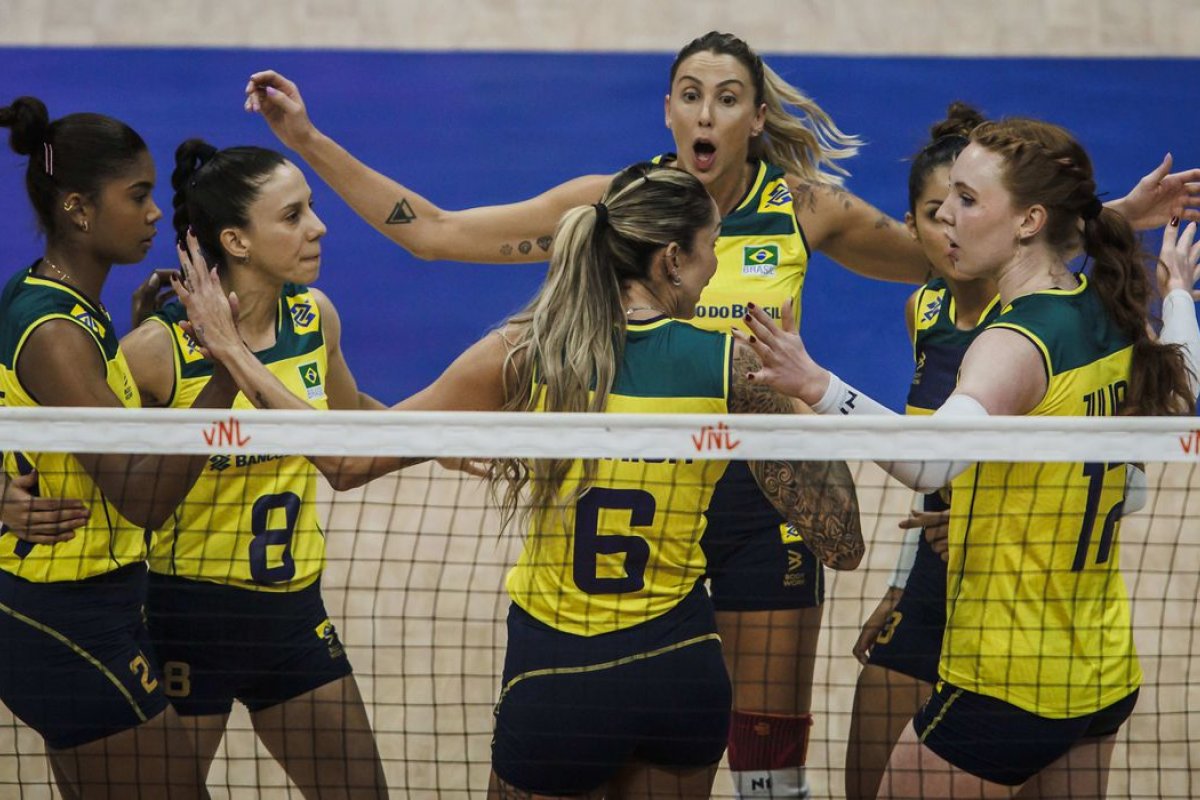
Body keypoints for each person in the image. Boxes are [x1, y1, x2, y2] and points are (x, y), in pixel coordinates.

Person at [240, 34, 1200, 799]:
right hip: (648, 490)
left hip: (763, 498)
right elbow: (437, 232)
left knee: (768, 744)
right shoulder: (609, 209)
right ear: (668, 110)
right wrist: (309, 140)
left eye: (728, 96)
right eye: (691, 94)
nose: (707, 112)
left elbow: (960, 249)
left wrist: (1106, 215)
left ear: (756, 116)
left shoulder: (806, 210)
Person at [168, 161, 866, 799]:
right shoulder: (734, 368)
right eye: (711, 247)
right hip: (681, 671)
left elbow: (347, 462)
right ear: (672, 259)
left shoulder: (525, 354)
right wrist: (800, 404)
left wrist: (234, 352)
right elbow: (842, 543)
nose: (716, 270)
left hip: (559, 679)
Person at [740, 117, 1194, 798]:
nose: (944, 215)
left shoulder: (1011, 345)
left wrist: (818, 386)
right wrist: (1179, 289)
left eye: (968, 199)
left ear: (1029, 221)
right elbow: (1188, 377)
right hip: (1101, 672)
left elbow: (929, 465)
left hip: (1007, 679)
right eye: (948, 195)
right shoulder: (1105, 308)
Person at [118, 139, 388, 798]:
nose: (318, 228)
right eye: (293, 216)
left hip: (293, 617)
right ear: (236, 241)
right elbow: (56, 435)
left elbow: (351, 416)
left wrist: (454, 440)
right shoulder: (158, 349)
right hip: (185, 622)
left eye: (311, 208)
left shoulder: (314, 318)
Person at [0, 96, 238, 799]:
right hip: (59, 614)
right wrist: (227, 370)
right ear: (78, 209)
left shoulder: (68, 304)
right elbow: (142, 499)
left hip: (95, 603)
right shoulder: (55, 332)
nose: (156, 213)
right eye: (137, 196)